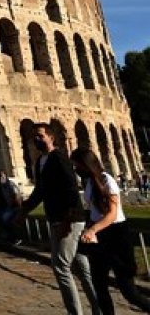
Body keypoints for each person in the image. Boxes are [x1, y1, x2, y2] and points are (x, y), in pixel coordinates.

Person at [17, 124, 100, 315]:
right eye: (34, 137)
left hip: (69, 220)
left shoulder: (60, 158)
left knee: (61, 267)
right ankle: (99, 309)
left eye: (40, 136)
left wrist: (67, 221)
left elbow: (72, 190)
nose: (36, 140)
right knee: (82, 269)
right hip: (58, 218)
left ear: (51, 138)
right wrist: (25, 210)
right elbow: (40, 191)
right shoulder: (40, 162)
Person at [71, 147, 150, 314]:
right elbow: (93, 210)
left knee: (129, 291)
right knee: (99, 286)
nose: (76, 169)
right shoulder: (90, 182)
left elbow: (112, 214)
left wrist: (93, 229)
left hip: (116, 235)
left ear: (86, 165)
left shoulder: (107, 180)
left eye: (77, 165)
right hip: (99, 235)